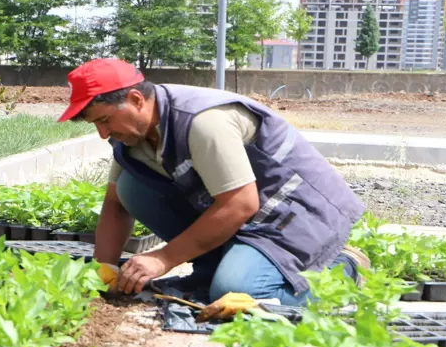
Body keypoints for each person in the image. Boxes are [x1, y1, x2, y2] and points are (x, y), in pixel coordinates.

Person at [57, 58, 369, 307]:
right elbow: (115, 203)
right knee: (130, 188)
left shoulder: (202, 121)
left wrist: (162, 259)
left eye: (103, 120)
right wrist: (104, 268)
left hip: (292, 216)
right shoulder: (131, 138)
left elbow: (241, 203)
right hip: (243, 218)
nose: (102, 133)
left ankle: (344, 269)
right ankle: (214, 268)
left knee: (238, 292)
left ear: (136, 99)